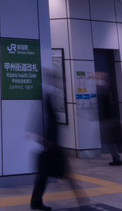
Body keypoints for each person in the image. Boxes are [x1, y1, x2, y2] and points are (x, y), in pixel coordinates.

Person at [29, 73, 86, 211]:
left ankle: (36, 201)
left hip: (51, 145)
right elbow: (43, 120)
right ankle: (82, 201)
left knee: (44, 175)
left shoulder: (49, 96)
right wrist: (42, 139)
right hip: (50, 145)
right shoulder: (47, 97)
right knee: (63, 174)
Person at [95, 71, 122, 166]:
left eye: (99, 78)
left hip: (107, 119)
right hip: (109, 118)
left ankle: (116, 158)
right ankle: (116, 157)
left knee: (109, 140)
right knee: (109, 140)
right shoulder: (109, 90)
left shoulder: (104, 91)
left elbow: (105, 106)